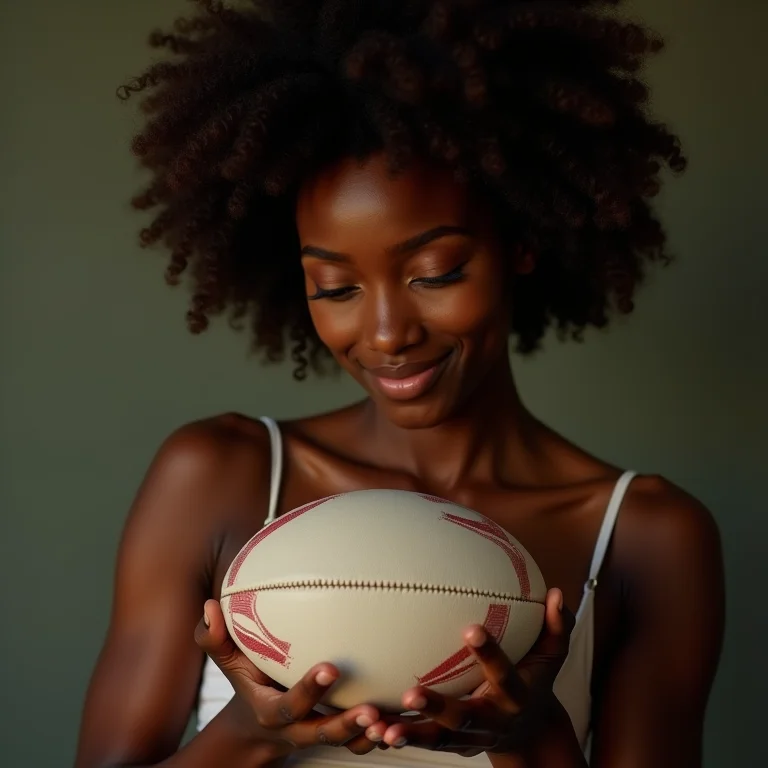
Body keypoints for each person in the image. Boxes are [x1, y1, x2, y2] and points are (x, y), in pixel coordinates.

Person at [74, 1, 725, 767]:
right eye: (336, 288)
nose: (386, 334)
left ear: (521, 243)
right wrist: (250, 732)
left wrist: (530, 736)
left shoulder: (648, 536)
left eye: (436, 273)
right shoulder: (219, 473)